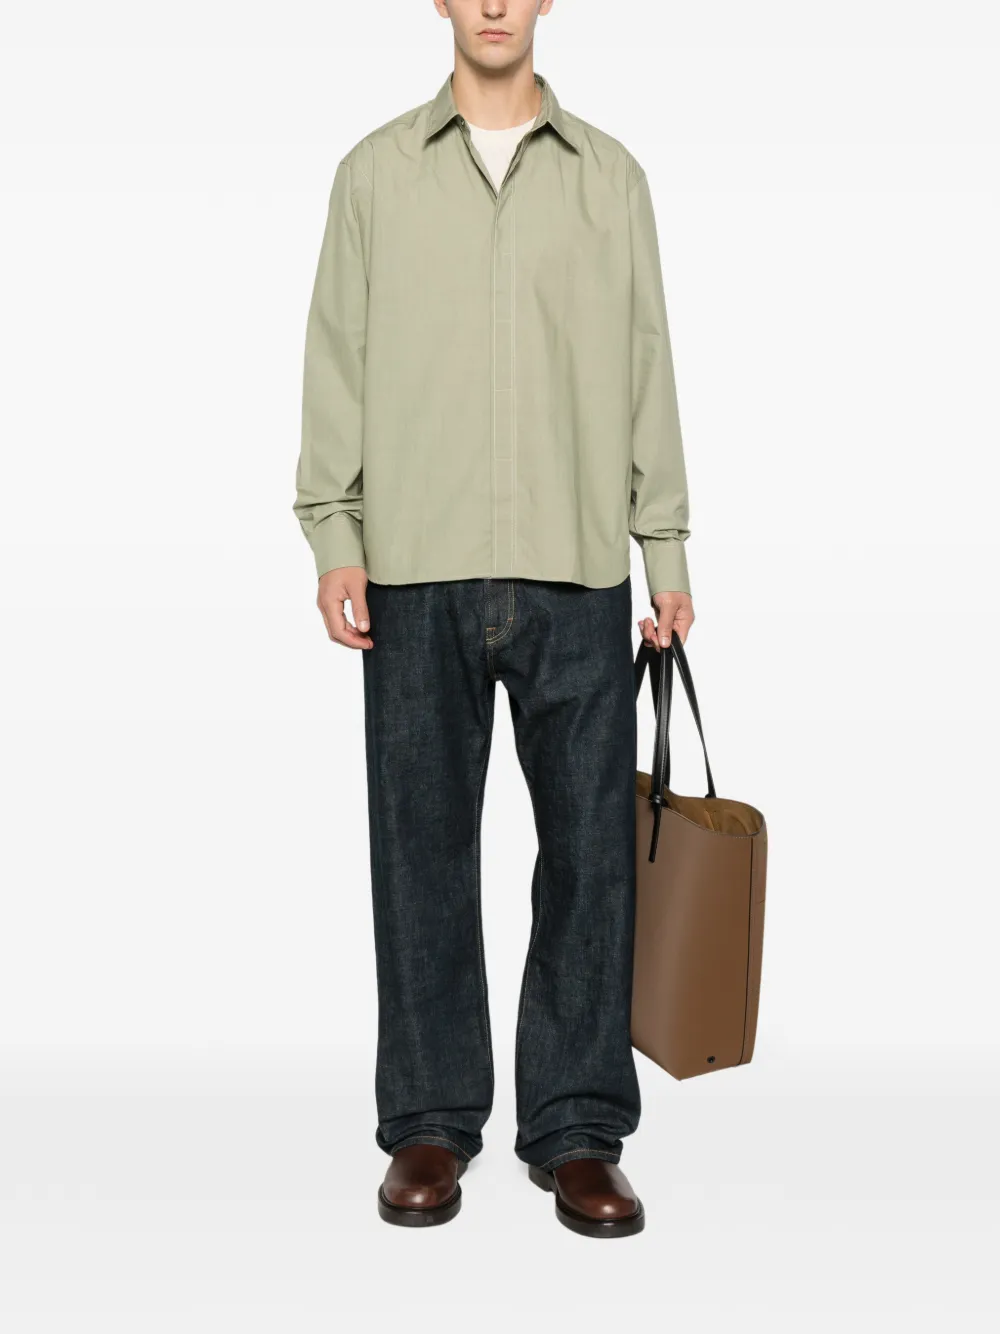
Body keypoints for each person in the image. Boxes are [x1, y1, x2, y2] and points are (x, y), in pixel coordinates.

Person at [294, 0, 694, 1239]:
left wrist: (663, 545)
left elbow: (645, 362)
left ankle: (576, 1126)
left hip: (575, 567)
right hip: (415, 566)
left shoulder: (611, 179)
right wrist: (335, 533)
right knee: (419, 851)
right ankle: (428, 1117)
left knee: (589, 859)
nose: (494, 4)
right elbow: (336, 356)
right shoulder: (373, 175)